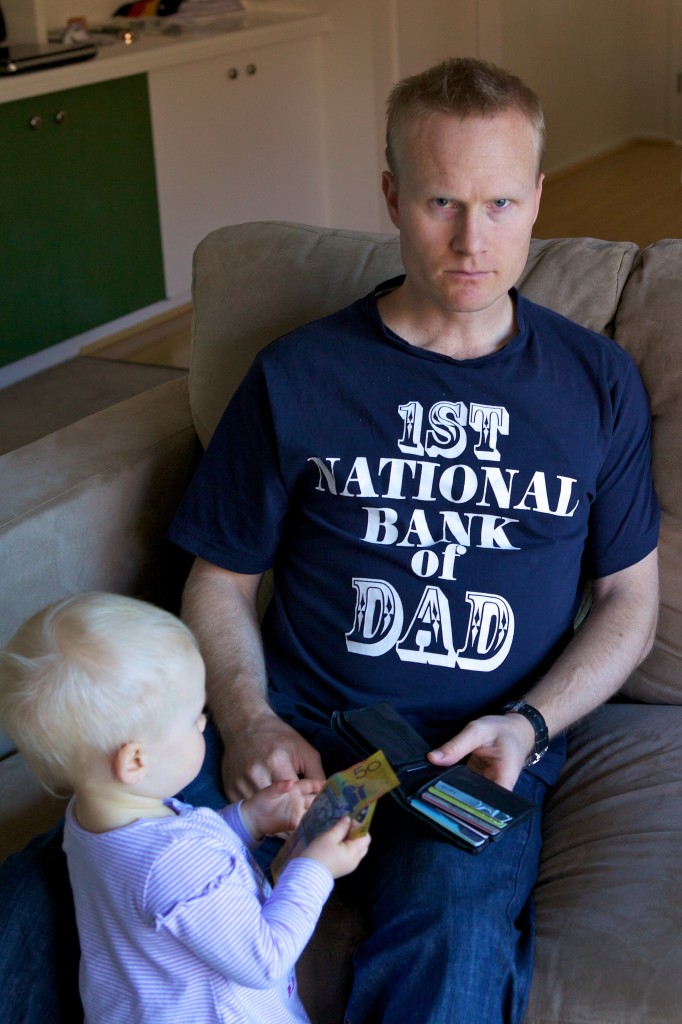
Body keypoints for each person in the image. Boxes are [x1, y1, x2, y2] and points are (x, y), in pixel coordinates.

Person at [167, 57, 660, 1023]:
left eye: (502, 203)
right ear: (391, 196)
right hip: (303, 729)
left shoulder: (597, 381)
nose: (474, 241)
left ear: (537, 199)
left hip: (472, 753)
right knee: (82, 870)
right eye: (440, 202)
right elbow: (219, 580)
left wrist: (528, 724)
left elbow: (629, 600)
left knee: (451, 937)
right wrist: (250, 717)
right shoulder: (300, 373)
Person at [0, 593, 370, 1024]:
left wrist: (249, 819)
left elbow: (184, 862)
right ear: (136, 761)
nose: (204, 724)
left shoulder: (96, 817)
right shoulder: (176, 861)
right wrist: (315, 867)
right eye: (195, 717)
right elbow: (263, 958)